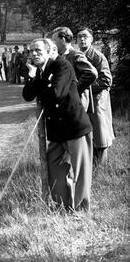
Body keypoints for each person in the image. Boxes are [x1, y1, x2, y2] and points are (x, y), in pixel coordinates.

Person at [22, 38, 93, 212]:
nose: (34, 54)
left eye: (38, 50)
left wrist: (41, 87)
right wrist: (32, 76)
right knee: (55, 169)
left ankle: (81, 211)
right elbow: (28, 95)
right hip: (57, 132)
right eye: (31, 51)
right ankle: (62, 208)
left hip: (74, 127)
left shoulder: (62, 66)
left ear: (49, 51)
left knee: (80, 172)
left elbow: (55, 94)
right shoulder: (41, 71)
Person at [77, 28, 115, 165]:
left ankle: (101, 166)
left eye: (85, 36)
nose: (82, 39)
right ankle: (88, 164)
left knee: (100, 134)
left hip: (97, 101)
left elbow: (106, 80)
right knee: (85, 134)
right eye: (79, 36)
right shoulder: (77, 56)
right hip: (83, 102)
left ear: (91, 39)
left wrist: (83, 87)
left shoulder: (98, 56)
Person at [51, 27, 97, 112]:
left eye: (54, 41)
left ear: (63, 39)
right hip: (66, 104)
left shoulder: (75, 54)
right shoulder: (61, 56)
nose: (53, 44)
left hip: (77, 104)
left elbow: (92, 73)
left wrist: (76, 89)